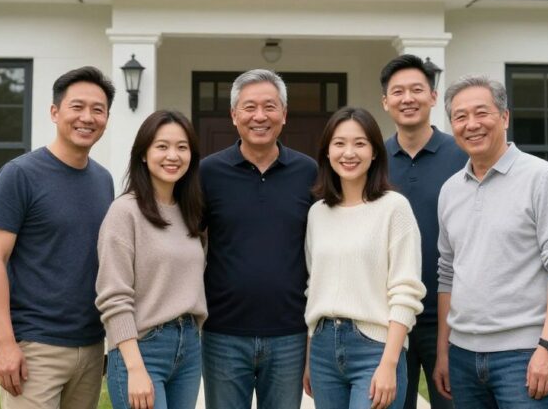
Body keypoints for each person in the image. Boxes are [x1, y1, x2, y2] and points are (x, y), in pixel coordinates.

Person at [433, 76, 548, 409]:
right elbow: (447, 274)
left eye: (481, 113)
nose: (471, 124)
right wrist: (443, 352)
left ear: (505, 117)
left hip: (523, 355)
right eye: (460, 116)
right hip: (461, 357)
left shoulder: (542, 179)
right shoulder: (450, 190)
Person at [0, 66, 116, 409]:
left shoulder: (103, 180)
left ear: (107, 118)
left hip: (90, 345)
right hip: (36, 348)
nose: (88, 117)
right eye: (77, 107)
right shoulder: (19, 175)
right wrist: (5, 344)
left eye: (98, 110)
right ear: (55, 112)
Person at [199, 68, 318, 409]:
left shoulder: (309, 172)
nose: (260, 116)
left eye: (270, 106)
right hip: (223, 333)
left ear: (284, 114)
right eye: (249, 107)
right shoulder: (208, 173)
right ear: (234, 115)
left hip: (290, 334)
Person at [303, 106, 425, 409]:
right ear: (327, 152)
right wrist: (309, 357)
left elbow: (406, 292)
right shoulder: (318, 213)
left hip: (375, 348)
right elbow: (313, 286)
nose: (349, 152)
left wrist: (389, 363)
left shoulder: (394, 208)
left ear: (374, 152)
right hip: (322, 349)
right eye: (339, 143)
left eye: (360, 143)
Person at [96, 110, 207, 409]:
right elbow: (114, 296)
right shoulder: (125, 213)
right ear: (144, 154)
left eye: (182, 147)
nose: (173, 155)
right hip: (142, 347)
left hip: (189, 348)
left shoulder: (190, 213)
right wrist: (134, 367)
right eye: (162, 146)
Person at [380, 55, 467, 409]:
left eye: (417, 90)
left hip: (450, 321)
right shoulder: (372, 159)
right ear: (386, 102)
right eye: (397, 92)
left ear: (433, 96)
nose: (407, 98)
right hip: (387, 321)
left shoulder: (462, 154)